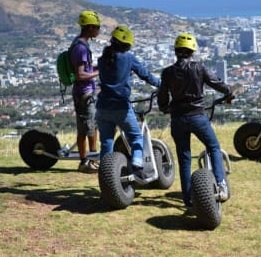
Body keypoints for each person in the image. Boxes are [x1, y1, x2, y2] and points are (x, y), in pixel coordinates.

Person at [157, 33, 234, 211]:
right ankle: (221, 185)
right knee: (213, 147)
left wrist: (165, 108)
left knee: (184, 157)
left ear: (176, 51)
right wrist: (229, 92)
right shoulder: (199, 68)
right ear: (192, 51)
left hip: (177, 118)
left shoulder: (167, 72)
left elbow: (162, 96)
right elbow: (217, 83)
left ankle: (188, 199)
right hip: (197, 116)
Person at [95, 25, 160, 177]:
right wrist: (162, 85)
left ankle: (106, 175)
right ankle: (137, 164)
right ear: (127, 44)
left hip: (102, 107)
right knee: (136, 137)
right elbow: (145, 75)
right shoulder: (128, 58)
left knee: (106, 143)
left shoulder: (102, 59)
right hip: (121, 107)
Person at [70, 10, 100, 173]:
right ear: (89, 27)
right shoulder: (81, 48)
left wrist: (96, 68)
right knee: (85, 128)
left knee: (92, 125)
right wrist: (98, 72)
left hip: (86, 91)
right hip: (84, 93)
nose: (98, 30)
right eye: (97, 27)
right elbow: (81, 74)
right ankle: (84, 162)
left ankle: (93, 158)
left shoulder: (79, 44)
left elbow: (85, 69)